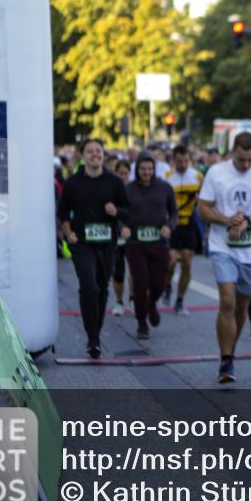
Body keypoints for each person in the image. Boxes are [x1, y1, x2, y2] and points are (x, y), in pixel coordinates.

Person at [200, 132, 251, 383]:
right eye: (241, 159)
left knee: (242, 304)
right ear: (232, 151)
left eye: (250, 159)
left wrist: (248, 221)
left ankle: (230, 349)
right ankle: (226, 360)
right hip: (222, 245)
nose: (245, 164)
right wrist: (227, 220)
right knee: (227, 301)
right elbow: (203, 208)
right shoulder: (216, 172)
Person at [57, 139, 130, 358]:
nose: (95, 154)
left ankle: (95, 332)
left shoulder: (115, 182)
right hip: (82, 243)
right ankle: (93, 338)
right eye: (90, 151)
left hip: (107, 243)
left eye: (98, 151)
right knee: (88, 285)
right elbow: (62, 212)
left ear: (104, 155)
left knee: (102, 287)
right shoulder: (73, 183)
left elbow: (127, 210)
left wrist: (115, 211)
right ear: (82, 155)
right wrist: (68, 232)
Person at [122, 153, 177, 338]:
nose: (146, 172)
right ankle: (141, 323)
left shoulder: (164, 187)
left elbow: (174, 212)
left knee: (159, 283)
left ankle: (152, 304)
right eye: (143, 169)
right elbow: (119, 214)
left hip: (158, 242)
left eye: (150, 169)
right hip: (135, 243)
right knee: (140, 282)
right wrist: (122, 228)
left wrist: (169, 226)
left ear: (154, 170)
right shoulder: (128, 189)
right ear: (137, 170)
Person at [164, 145, 203, 315]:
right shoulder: (165, 177)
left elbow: (206, 200)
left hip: (189, 224)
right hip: (171, 224)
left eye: (186, 161)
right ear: (173, 161)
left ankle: (179, 300)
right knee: (170, 261)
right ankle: (166, 286)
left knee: (187, 262)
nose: (183, 164)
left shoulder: (198, 177)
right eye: (179, 161)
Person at [110, 159, 133, 316]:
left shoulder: (134, 190)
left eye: (126, 173)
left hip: (133, 235)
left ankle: (133, 299)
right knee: (118, 271)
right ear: (116, 173)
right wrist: (120, 228)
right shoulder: (111, 190)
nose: (124, 176)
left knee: (134, 270)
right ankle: (118, 301)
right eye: (121, 173)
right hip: (116, 235)